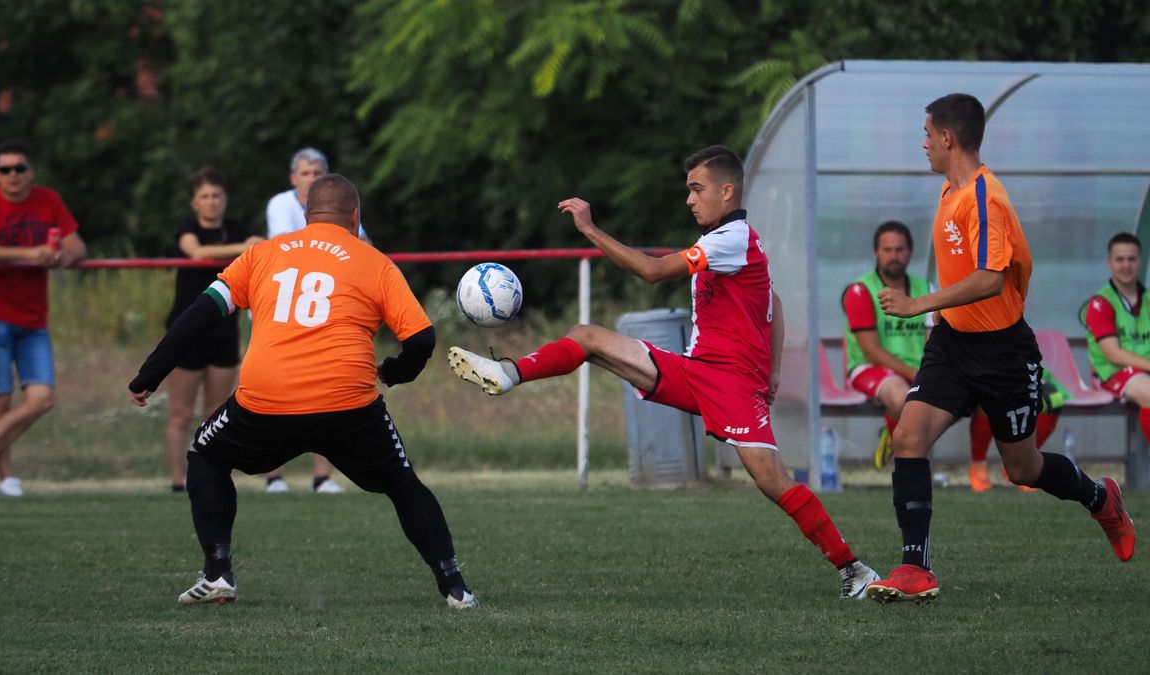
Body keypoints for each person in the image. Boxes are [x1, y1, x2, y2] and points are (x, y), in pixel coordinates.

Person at [448, 145, 880, 600]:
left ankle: (854, 569)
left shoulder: (730, 239)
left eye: (697, 189)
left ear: (727, 191)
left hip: (731, 383)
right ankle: (508, 372)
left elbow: (653, 272)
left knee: (772, 480)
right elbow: (774, 303)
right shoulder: (735, 241)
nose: (690, 199)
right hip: (698, 373)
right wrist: (773, 370)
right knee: (588, 337)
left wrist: (590, 229)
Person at [128, 174, 476, 609]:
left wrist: (150, 373)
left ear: (306, 214)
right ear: (355, 216)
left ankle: (217, 573)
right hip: (348, 403)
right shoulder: (374, 262)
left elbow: (201, 313)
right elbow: (422, 340)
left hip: (266, 400)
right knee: (402, 483)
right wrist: (394, 372)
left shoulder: (261, 254)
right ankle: (454, 586)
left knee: (205, 454)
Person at [866, 94, 1135, 604]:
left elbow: (990, 280)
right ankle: (914, 566)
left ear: (948, 138)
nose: (922, 143)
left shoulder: (986, 198)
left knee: (1022, 469)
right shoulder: (949, 191)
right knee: (908, 436)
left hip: (1004, 352)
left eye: (927, 133)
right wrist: (937, 322)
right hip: (952, 346)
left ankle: (1102, 498)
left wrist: (917, 303)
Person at [0, 140, 87, 497]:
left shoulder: (48, 200)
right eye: (5, 169)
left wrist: (63, 257)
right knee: (0, 398)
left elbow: (77, 246)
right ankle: (6, 477)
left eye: (19, 168)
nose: (12, 175)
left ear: (30, 172)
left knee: (42, 399)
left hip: (33, 318)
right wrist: (30, 252)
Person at [261, 147, 369, 493]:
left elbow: (364, 244)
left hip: (325, 310)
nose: (311, 178)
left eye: (317, 172)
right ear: (294, 178)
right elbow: (290, 249)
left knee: (327, 387)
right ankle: (272, 474)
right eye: (305, 173)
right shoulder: (281, 204)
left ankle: (322, 475)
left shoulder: (338, 208)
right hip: (282, 310)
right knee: (270, 389)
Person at [162, 168, 263, 492]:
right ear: (194, 202)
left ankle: (208, 475)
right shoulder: (188, 228)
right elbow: (197, 252)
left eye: (217, 195)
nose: (211, 202)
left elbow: (258, 249)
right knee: (181, 412)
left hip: (223, 330)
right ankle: (178, 481)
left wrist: (246, 246)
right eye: (205, 196)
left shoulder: (235, 227)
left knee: (215, 412)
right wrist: (242, 248)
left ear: (225, 200)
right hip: (187, 331)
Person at [841, 221, 933, 471]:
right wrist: (916, 376)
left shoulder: (925, 288)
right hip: (869, 367)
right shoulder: (860, 290)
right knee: (903, 397)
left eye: (900, 249)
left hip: (915, 370)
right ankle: (910, 463)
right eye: (887, 249)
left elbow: (932, 340)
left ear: (910, 252)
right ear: (876, 252)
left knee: (965, 394)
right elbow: (871, 350)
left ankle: (978, 468)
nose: (894, 256)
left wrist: (929, 374)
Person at [1081, 232, 1150, 448]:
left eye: (1132, 259)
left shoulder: (1147, 300)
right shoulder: (1100, 303)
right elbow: (1113, 353)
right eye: (1120, 259)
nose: (1126, 265)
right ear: (1110, 262)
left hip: (1143, 370)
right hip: (1112, 372)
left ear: (1140, 261)